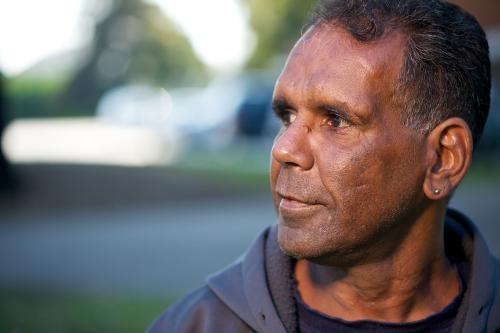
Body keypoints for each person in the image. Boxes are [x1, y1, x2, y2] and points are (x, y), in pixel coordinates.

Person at [148, 0, 500, 332]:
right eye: (287, 116)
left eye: (334, 120)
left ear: (443, 158)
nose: (284, 149)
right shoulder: (198, 324)